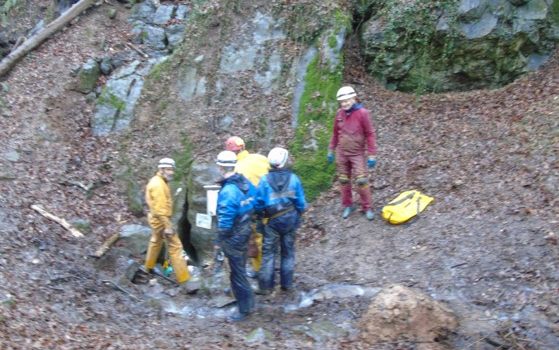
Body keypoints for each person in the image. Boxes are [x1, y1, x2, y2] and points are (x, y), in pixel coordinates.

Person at [255, 147, 307, 295]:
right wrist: (300, 212)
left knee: (268, 254)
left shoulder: (264, 180)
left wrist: (259, 216)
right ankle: (287, 284)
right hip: (290, 219)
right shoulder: (293, 179)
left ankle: (265, 287)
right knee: (288, 252)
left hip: (272, 222)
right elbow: (301, 202)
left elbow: (259, 203)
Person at [215, 150, 256, 322]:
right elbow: (255, 200)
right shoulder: (244, 182)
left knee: (237, 273)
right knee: (240, 269)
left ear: (221, 167)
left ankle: (244, 309)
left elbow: (224, 222)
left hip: (234, 235)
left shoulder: (228, 191)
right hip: (246, 229)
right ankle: (248, 302)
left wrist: (218, 241)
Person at [328, 86, 377, 220]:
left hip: (357, 153)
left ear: (354, 98)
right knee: (343, 180)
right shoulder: (339, 114)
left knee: (361, 180)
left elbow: (370, 134)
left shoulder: (363, 113)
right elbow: (334, 133)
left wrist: (372, 154)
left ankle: (367, 207)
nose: (344, 104)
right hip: (342, 153)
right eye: (342, 101)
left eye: (347, 100)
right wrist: (331, 150)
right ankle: (348, 205)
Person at [225, 136, 269, 276]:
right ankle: (269, 266)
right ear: (243, 147)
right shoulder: (260, 158)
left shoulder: (236, 169)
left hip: (255, 207)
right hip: (272, 203)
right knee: (269, 237)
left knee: (257, 238)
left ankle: (260, 270)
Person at [143, 158, 191, 284]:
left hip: (155, 219)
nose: (172, 172)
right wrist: (168, 226)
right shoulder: (158, 185)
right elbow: (160, 210)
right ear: (161, 169)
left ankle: (147, 267)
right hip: (161, 220)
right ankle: (184, 278)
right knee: (176, 246)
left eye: (172, 169)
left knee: (156, 241)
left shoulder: (157, 181)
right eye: (169, 169)